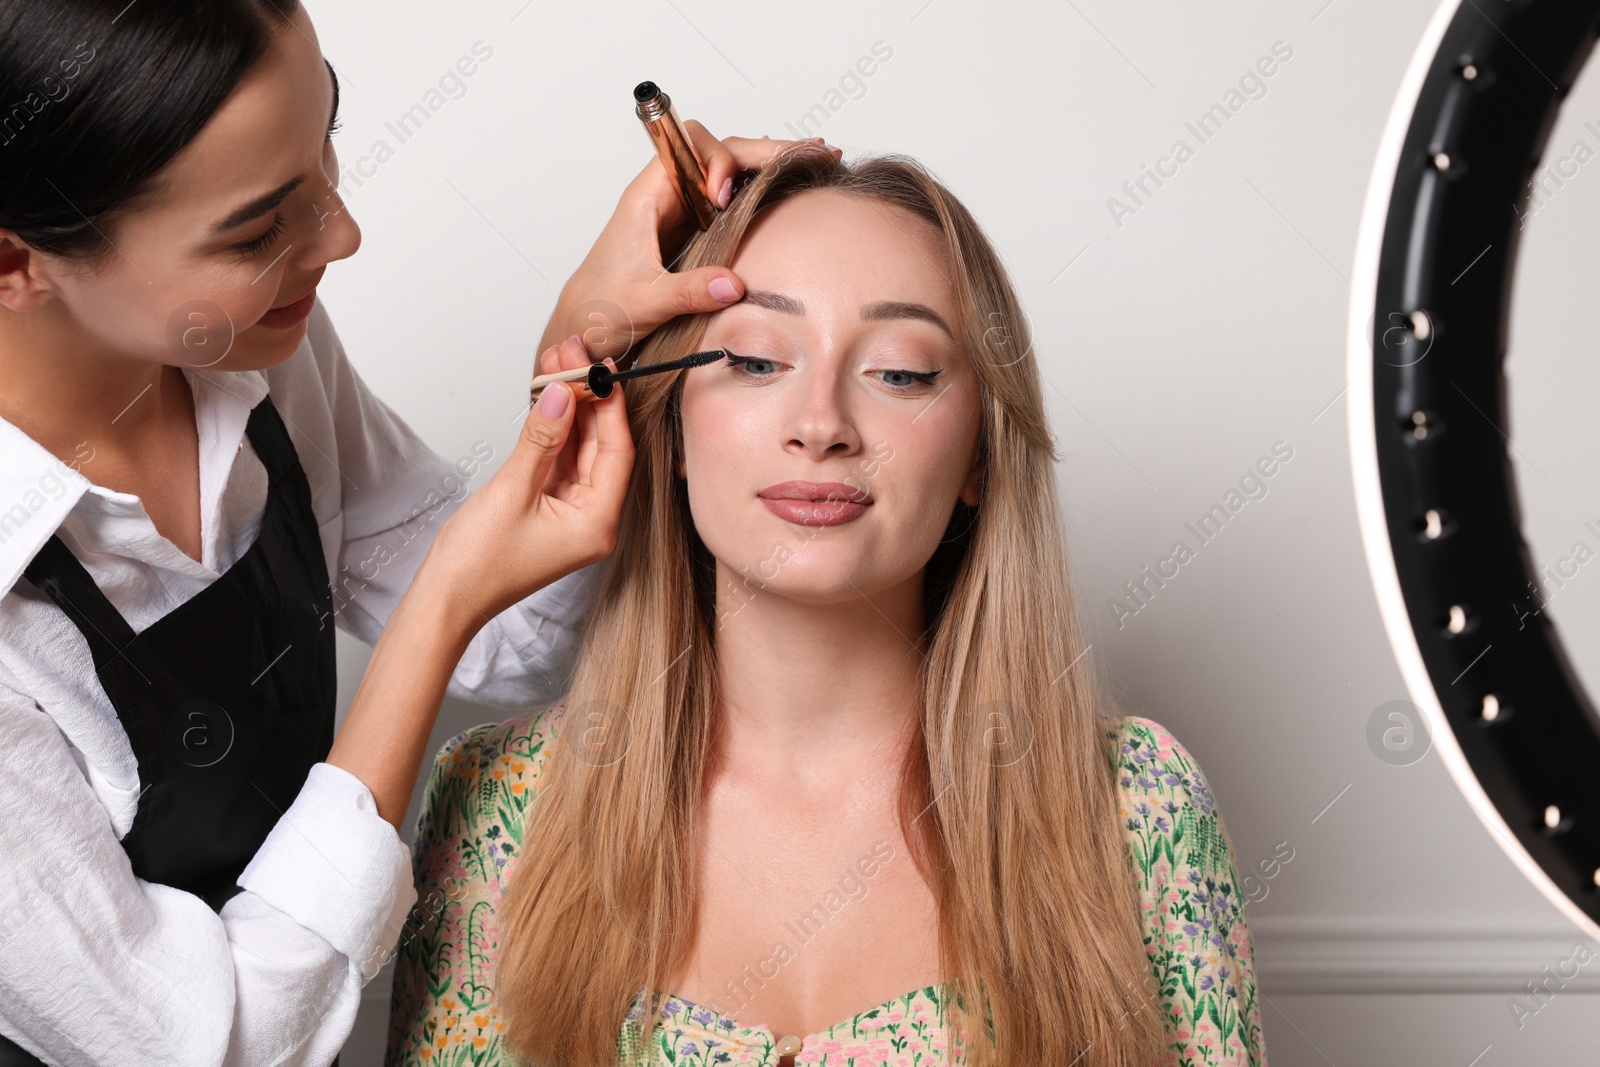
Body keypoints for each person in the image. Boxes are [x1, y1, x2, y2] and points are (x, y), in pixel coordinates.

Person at [0, 0, 828, 1063]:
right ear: (16, 263)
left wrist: (578, 364)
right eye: (257, 229)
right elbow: (213, 1044)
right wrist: (434, 613)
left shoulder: (250, 354)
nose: (342, 239)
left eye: (325, 146)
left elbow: (519, 639)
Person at [386, 145, 1267, 1067]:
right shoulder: (500, 806)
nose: (821, 423)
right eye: (757, 358)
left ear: (979, 454)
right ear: (672, 425)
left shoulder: (1138, 810)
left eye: (900, 373)